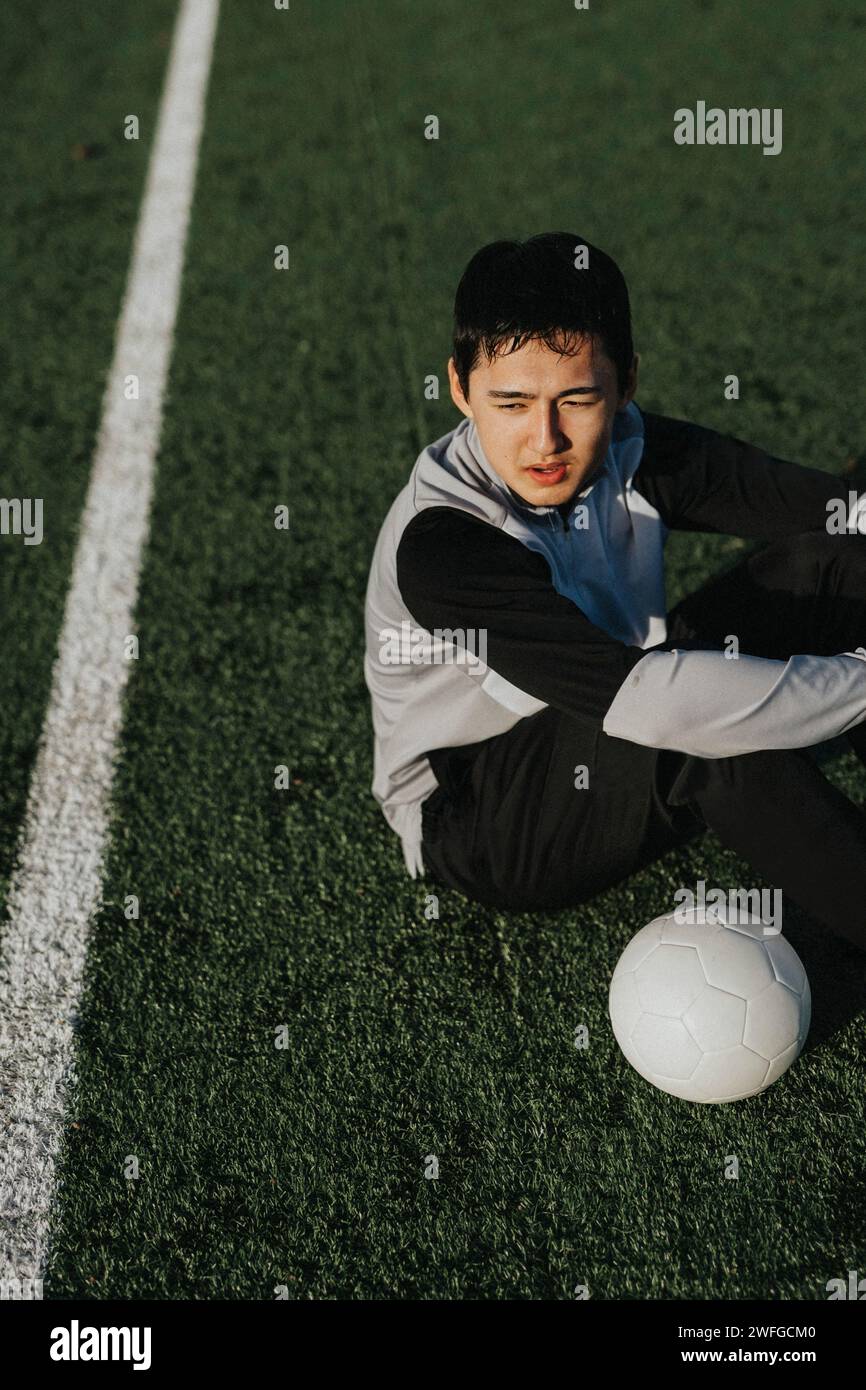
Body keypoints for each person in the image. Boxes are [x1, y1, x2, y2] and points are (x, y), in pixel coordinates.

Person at [363, 231, 866, 951]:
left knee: (836, 565)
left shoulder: (630, 445)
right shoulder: (445, 546)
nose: (545, 440)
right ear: (458, 388)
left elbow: (831, 510)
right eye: (510, 404)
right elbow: (652, 705)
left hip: (619, 690)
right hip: (480, 809)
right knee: (699, 728)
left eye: (577, 399)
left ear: (626, 384)